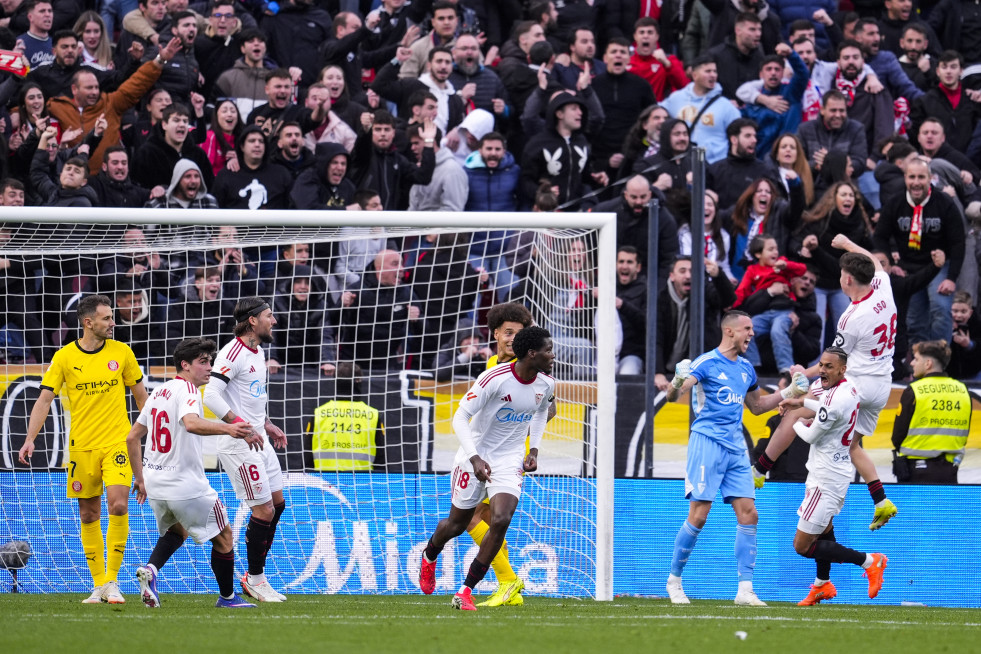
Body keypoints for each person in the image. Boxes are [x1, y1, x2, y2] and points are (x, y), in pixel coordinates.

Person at [664, 311, 808, 605]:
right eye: (747, 329)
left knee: (749, 513)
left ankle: (745, 590)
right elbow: (672, 396)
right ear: (729, 331)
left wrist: (788, 391)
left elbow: (756, 406)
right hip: (706, 443)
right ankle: (674, 581)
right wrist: (677, 381)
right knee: (699, 515)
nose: (752, 334)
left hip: (735, 447)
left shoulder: (746, 369)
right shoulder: (706, 362)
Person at [755, 235, 899, 531]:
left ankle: (759, 470)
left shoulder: (851, 318)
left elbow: (832, 362)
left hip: (855, 385)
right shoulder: (883, 287)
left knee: (794, 411)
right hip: (882, 385)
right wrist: (848, 244)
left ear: (846, 280)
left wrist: (803, 375)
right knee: (852, 444)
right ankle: (882, 500)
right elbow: (871, 260)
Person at [18, 294, 149, 604]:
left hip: (117, 441)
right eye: (106, 318)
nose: (113, 323)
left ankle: (113, 582)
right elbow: (44, 400)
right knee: (89, 513)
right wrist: (29, 438)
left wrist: (149, 436)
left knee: (118, 505)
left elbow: (143, 398)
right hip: (81, 447)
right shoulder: (64, 357)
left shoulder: (123, 352)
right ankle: (99, 583)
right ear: (88, 322)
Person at [419, 326, 556, 612]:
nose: (553, 355)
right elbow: (459, 417)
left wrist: (533, 450)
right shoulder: (494, 378)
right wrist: (474, 457)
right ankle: (430, 554)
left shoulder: (546, 383)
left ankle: (465, 591)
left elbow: (542, 411)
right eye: (548, 350)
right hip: (475, 456)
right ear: (532, 353)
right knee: (456, 525)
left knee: (501, 519)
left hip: (509, 460)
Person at [126, 337, 259, 609]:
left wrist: (139, 479)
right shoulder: (187, 390)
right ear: (185, 365)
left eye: (210, 361)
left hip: (155, 484)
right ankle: (228, 598)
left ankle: (150, 570)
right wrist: (230, 428)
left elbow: (131, 438)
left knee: (177, 532)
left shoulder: (159, 391)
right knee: (224, 537)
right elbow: (191, 423)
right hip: (185, 485)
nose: (209, 367)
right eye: (203, 362)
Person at [778, 347, 889, 606]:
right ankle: (821, 585)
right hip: (831, 473)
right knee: (825, 531)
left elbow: (810, 436)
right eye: (821, 365)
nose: (823, 371)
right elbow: (826, 408)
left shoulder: (835, 398)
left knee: (802, 546)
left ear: (842, 369)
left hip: (825, 478)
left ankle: (871, 561)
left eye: (829, 366)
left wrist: (795, 419)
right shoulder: (847, 389)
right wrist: (802, 402)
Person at [203, 297, 289, 603]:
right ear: (252, 321)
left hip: (258, 439)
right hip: (238, 444)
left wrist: (265, 424)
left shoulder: (259, 351)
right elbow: (212, 395)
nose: (274, 320)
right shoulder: (232, 352)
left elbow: (250, 397)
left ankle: (255, 574)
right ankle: (255, 579)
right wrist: (239, 424)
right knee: (263, 509)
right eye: (269, 316)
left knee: (277, 504)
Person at [891, 340, 973, 483]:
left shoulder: (915, 391)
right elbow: (964, 433)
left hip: (915, 470)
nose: (912, 363)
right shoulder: (963, 390)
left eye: (916, 359)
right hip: (950, 470)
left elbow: (897, 436)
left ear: (928, 363)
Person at [950, 292, 981, 380]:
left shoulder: (977, 325)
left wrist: (969, 345)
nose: (959, 315)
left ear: (970, 313)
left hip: (973, 373)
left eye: (963, 311)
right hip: (949, 374)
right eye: (955, 311)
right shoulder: (942, 326)